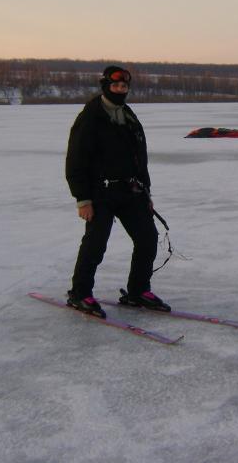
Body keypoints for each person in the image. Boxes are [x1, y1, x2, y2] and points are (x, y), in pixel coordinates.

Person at [64, 65, 170, 318]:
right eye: (115, 86)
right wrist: (83, 199)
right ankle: (80, 293)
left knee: (147, 238)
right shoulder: (90, 117)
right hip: (100, 192)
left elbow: (139, 158)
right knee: (95, 244)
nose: (120, 90)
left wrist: (146, 192)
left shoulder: (128, 115)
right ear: (105, 86)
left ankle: (138, 290)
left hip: (131, 190)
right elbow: (75, 160)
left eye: (124, 86)